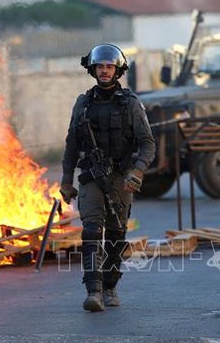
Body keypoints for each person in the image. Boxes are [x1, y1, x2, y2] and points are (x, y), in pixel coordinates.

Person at [60, 43, 155, 311]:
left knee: (116, 235)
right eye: (100, 66)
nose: (104, 71)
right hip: (90, 176)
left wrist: (136, 172)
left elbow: (148, 143)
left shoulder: (132, 104)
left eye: (109, 66)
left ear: (117, 70)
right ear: (93, 69)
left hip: (121, 178)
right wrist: (66, 181)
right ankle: (94, 291)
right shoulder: (82, 104)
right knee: (91, 232)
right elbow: (71, 145)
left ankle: (111, 285)